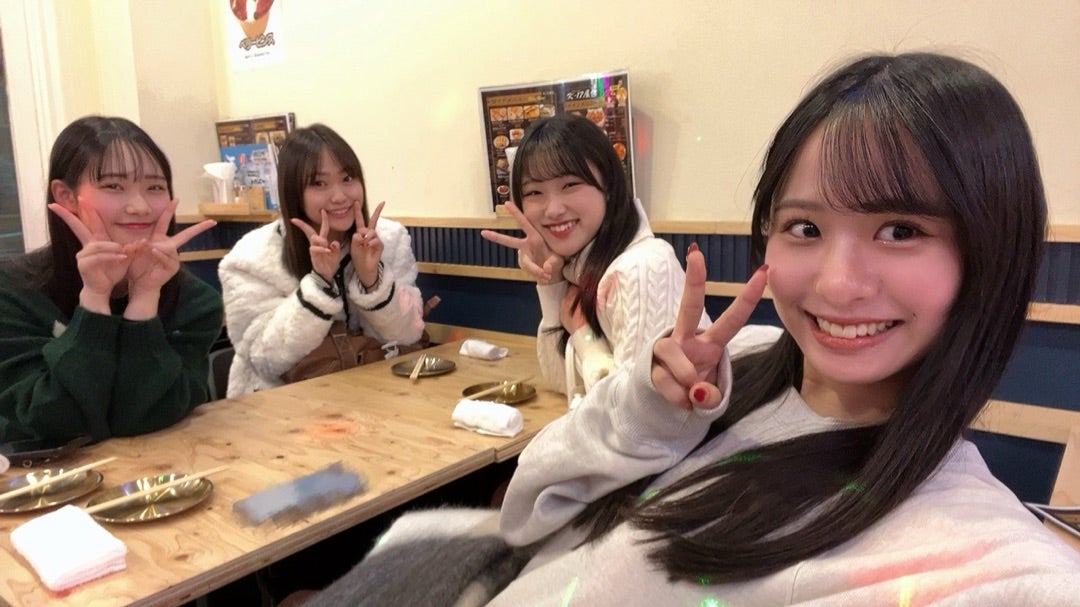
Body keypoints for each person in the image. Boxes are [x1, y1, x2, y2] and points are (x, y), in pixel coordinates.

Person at [305, 52, 1080, 606]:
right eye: (805, 226)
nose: (838, 282)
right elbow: (537, 499)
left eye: (901, 229)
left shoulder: (984, 558)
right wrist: (641, 394)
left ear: (991, 249)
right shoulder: (746, 358)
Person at [0, 116, 222, 443]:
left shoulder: (195, 301)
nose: (140, 206)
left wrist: (144, 298)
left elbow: (147, 417)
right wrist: (94, 301)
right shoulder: (12, 291)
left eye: (155, 187)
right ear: (66, 196)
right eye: (114, 186)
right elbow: (49, 421)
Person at [481, 113, 708, 406]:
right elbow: (560, 380)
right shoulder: (580, 266)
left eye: (570, 185)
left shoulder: (643, 267)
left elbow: (639, 413)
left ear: (608, 186)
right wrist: (551, 284)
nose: (553, 209)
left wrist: (584, 337)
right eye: (534, 192)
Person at [218, 123, 424, 396]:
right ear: (293, 192)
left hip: (375, 396)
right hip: (280, 405)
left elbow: (409, 335)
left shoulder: (388, 239)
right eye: (319, 183)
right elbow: (264, 360)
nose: (339, 196)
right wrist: (319, 285)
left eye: (347, 178)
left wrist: (372, 281)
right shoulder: (250, 257)